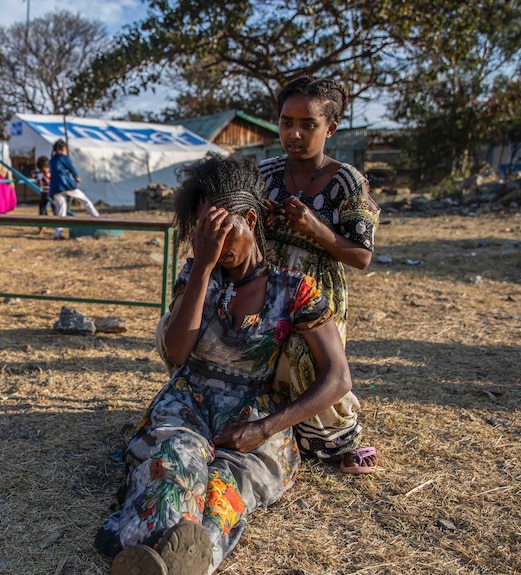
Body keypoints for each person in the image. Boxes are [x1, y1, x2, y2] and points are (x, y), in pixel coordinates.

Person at [95, 153, 354, 575]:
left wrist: (265, 428)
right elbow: (178, 353)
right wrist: (201, 267)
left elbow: (338, 377)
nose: (210, 243)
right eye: (200, 233)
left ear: (249, 220)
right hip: (187, 408)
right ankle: (164, 554)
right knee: (174, 466)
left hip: (253, 417)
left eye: (219, 232)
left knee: (223, 488)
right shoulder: (198, 274)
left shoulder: (295, 291)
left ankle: (176, 561)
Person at [260, 75, 380, 474]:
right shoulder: (264, 173)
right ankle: (264, 423)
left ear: (330, 128)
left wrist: (315, 228)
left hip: (315, 292)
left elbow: (361, 256)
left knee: (302, 355)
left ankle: (334, 437)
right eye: (286, 122)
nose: (294, 132)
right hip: (264, 282)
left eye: (308, 124)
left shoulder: (347, 182)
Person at [48, 139, 99, 240]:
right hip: (65, 184)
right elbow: (71, 168)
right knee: (85, 200)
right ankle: (97, 218)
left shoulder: (52, 160)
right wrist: (76, 177)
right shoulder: (63, 157)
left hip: (54, 186)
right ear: (63, 148)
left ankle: (57, 234)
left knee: (61, 210)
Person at [34, 155, 51, 234]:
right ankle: (45, 223)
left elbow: (40, 182)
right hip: (45, 193)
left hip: (48, 193)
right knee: (43, 208)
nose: (42, 171)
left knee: (42, 208)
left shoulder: (48, 175)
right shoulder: (47, 174)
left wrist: (35, 176)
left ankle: (45, 224)